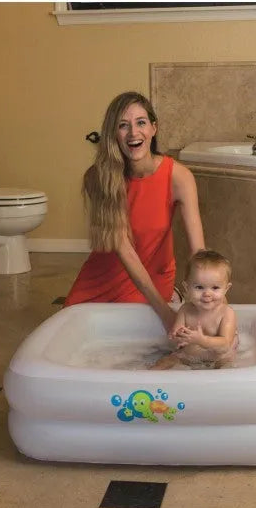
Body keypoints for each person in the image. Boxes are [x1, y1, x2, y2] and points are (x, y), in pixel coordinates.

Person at [64, 92, 205, 331]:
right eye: (123, 125)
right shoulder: (97, 178)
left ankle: (173, 295)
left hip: (153, 276)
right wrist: (165, 312)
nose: (133, 133)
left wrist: (213, 303)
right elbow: (124, 249)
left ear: (153, 128)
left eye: (141, 123)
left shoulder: (179, 177)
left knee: (131, 338)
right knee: (70, 332)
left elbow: (198, 251)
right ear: (113, 134)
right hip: (104, 275)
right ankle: (171, 299)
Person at [150, 249, 238, 370]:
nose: (207, 293)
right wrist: (177, 336)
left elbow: (225, 345)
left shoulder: (227, 313)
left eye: (215, 288)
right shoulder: (185, 310)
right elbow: (176, 335)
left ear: (226, 289)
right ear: (187, 287)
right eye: (199, 287)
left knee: (226, 369)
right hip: (191, 355)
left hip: (220, 357)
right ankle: (146, 378)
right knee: (165, 362)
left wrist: (202, 340)